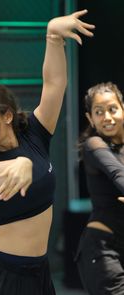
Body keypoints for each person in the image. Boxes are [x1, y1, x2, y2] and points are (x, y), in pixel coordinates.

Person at [0, 10, 94, 295]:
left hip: (37, 272)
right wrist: (20, 164)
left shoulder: (35, 134)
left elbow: (54, 85)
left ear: (6, 115)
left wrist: (52, 37)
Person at [76, 82, 124, 294]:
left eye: (112, 109)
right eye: (99, 112)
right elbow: (117, 174)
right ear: (90, 119)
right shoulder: (94, 145)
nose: (107, 117)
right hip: (104, 250)